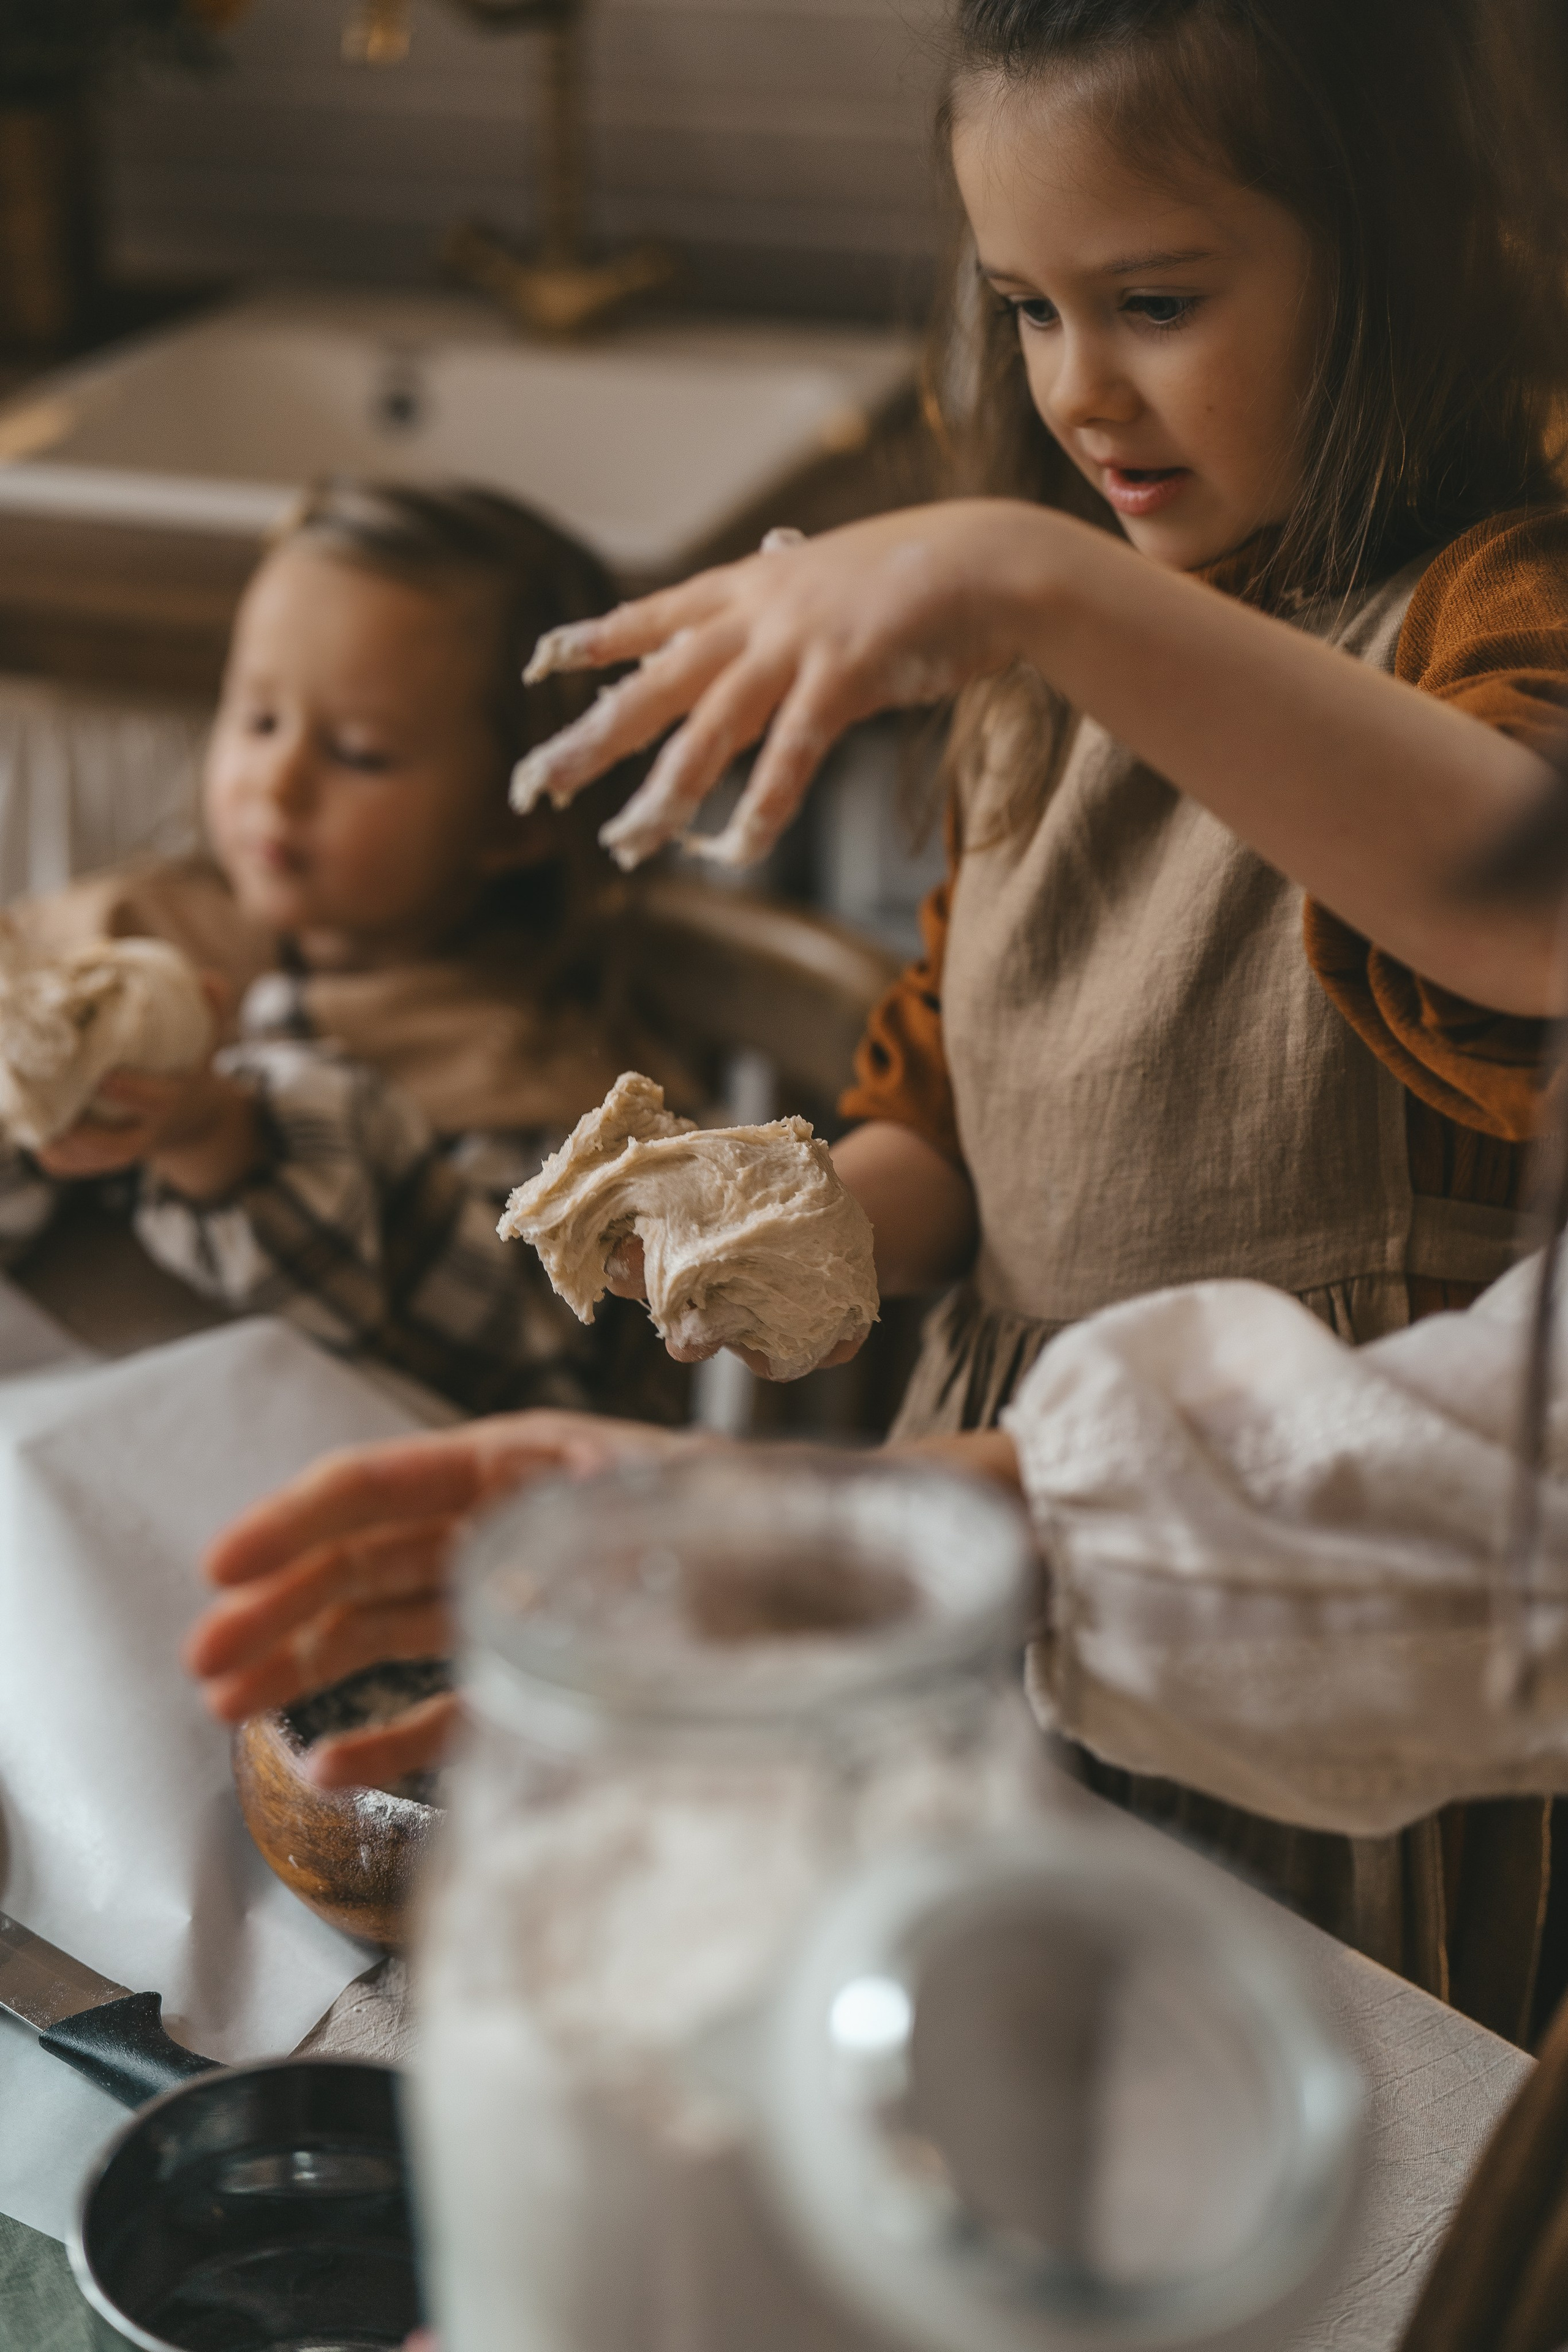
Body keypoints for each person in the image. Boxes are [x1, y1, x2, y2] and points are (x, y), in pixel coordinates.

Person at [193, 0, 1568, 2027]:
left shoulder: (1481, 606)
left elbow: (1509, 882)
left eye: (1159, 299)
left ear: (1394, 256)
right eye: (1026, 308)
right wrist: (833, 1211)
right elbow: (963, 1069)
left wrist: (1028, 580)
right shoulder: (1048, 653)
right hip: (973, 1511)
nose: (1083, 391)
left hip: (1317, 1602)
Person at [0, 480, 685, 1417]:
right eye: (258, 719)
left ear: (516, 816)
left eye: (360, 753)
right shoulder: (124, 930)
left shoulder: (543, 1096)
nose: (275, 784)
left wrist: (223, 1139)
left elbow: (511, 1381)